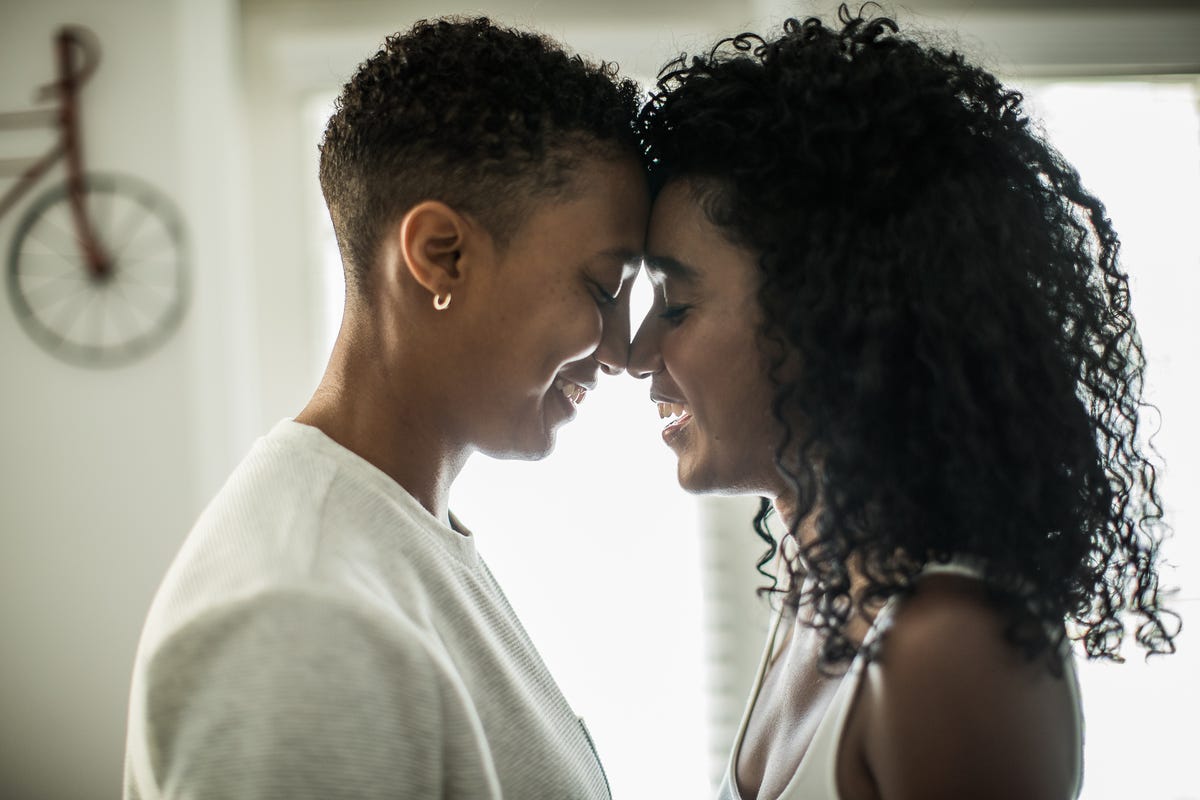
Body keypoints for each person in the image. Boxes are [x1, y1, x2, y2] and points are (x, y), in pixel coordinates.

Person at [630, 7, 1178, 800]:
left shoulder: (950, 646)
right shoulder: (813, 592)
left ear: (828, 317)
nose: (636, 352)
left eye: (676, 305)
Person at [123, 16, 647, 800]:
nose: (622, 348)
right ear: (441, 255)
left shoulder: (405, 533)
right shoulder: (300, 623)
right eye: (603, 288)